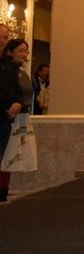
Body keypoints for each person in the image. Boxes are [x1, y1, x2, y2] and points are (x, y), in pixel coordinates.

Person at [0, 25, 22, 202]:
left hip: (5, 121)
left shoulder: (9, 66)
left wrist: (18, 104)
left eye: (5, 37)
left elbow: (18, 91)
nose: (2, 40)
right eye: (0, 36)